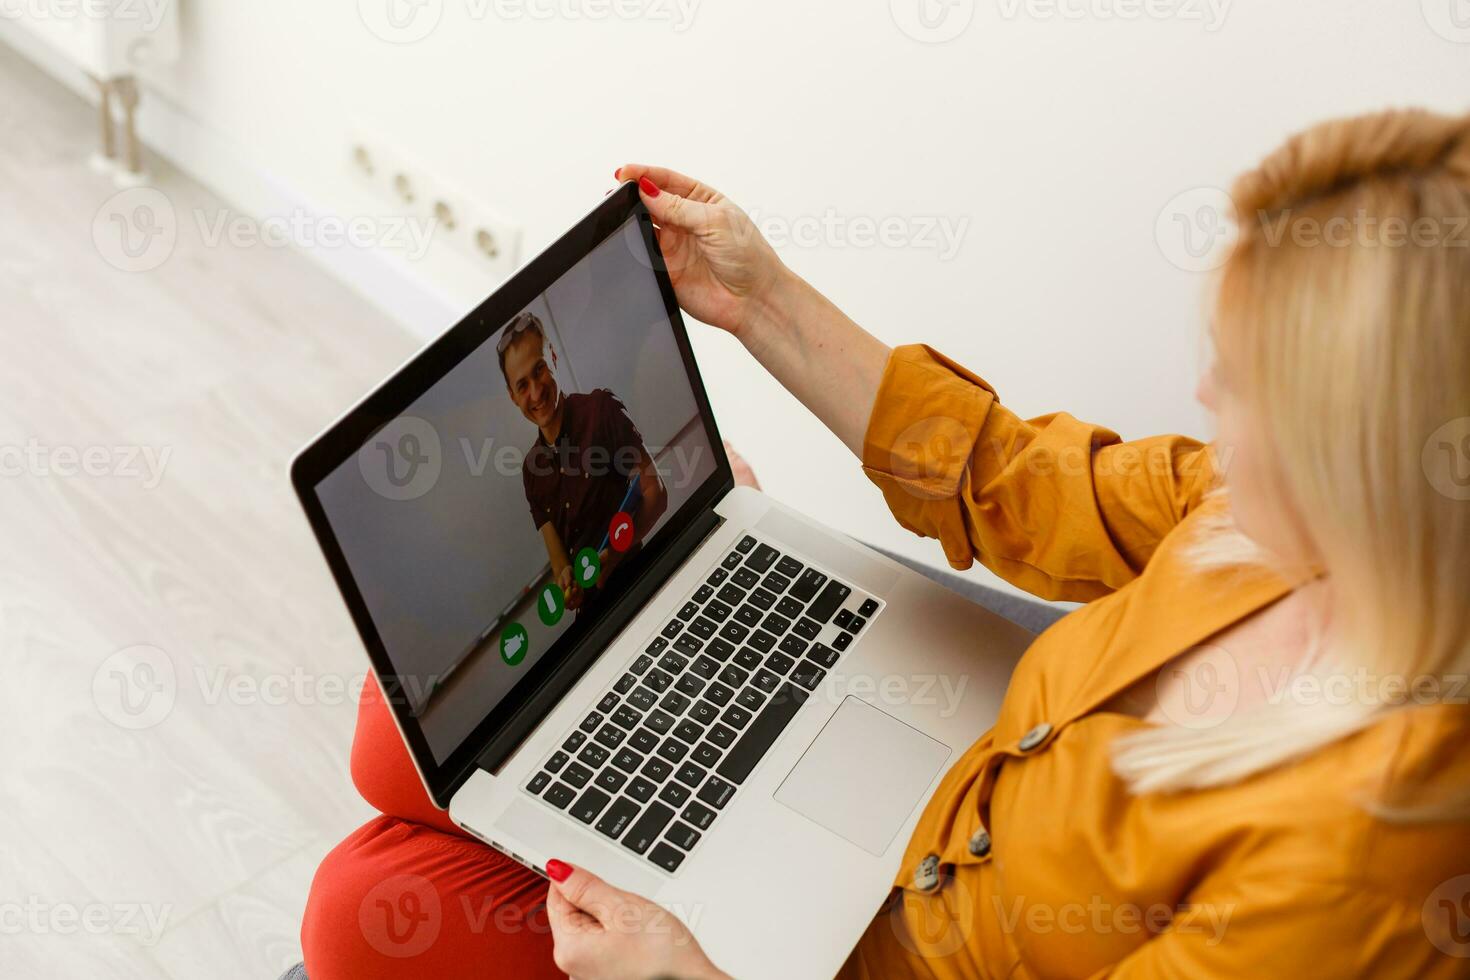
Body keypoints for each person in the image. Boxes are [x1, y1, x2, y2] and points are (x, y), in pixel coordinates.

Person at [299, 108, 1470, 978]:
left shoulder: (1357, 866)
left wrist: (688, 973)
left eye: (1254, 383)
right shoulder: (1259, 522)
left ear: (1373, 458)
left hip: (890, 944)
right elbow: (1012, 473)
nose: (1206, 390)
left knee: (360, 905)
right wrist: (761, 300)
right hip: (945, 758)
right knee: (391, 732)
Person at [498, 311, 668, 611]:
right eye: (522, 385)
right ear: (512, 396)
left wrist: (614, 555)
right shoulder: (530, 471)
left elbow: (657, 494)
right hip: (592, 616)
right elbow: (560, 563)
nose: (535, 392)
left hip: (643, 584)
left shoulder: (601, 409)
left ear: (552, 357)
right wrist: (567, 588)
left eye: (539, 370)